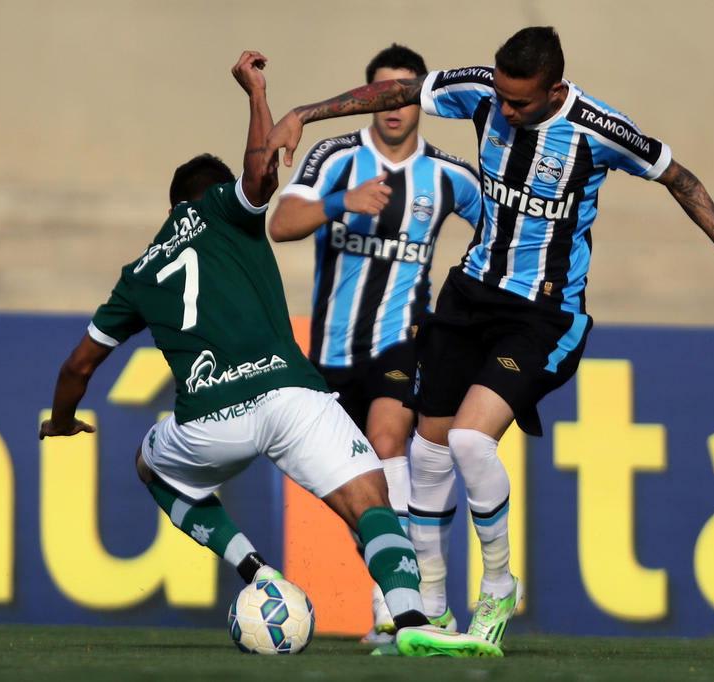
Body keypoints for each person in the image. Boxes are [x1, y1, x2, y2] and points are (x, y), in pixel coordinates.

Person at [264, 26, 714, 649]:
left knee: (468, 441)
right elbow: (396, 93)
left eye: (521, 103)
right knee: (430, 452)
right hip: (469, 295)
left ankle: (497, 585)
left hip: (542, 314)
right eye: (503, 98)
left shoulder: (599, 128)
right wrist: (303, 112)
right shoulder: (482, 91)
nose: (507, 111)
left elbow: (678, 176)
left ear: (555, 89)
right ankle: (432, 607)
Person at [37, 50, 501, 659]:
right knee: (370, 504)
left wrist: (65, 419)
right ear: (213, 195)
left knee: (152, 465)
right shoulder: (229, 211)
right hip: (292, 396)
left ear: (171, 204)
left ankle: (257, 571)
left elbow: (79, 366)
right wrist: (257, 93)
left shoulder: (140, 271)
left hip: (212, 421)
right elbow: (260, 175)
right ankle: (414, 616)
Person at [267, 43, 480, 642]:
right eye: (383, 92)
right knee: (361, 491)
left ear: (419, 102)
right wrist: (342, 204)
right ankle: (399, 596)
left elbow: (504, 228)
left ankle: (402, 610)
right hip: (331, 354)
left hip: (402, 340)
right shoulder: (336, 157)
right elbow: (280, 225)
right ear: (368, 98)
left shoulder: (447, 175)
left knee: (391, 441)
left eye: (405, 94)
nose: (394, 106)